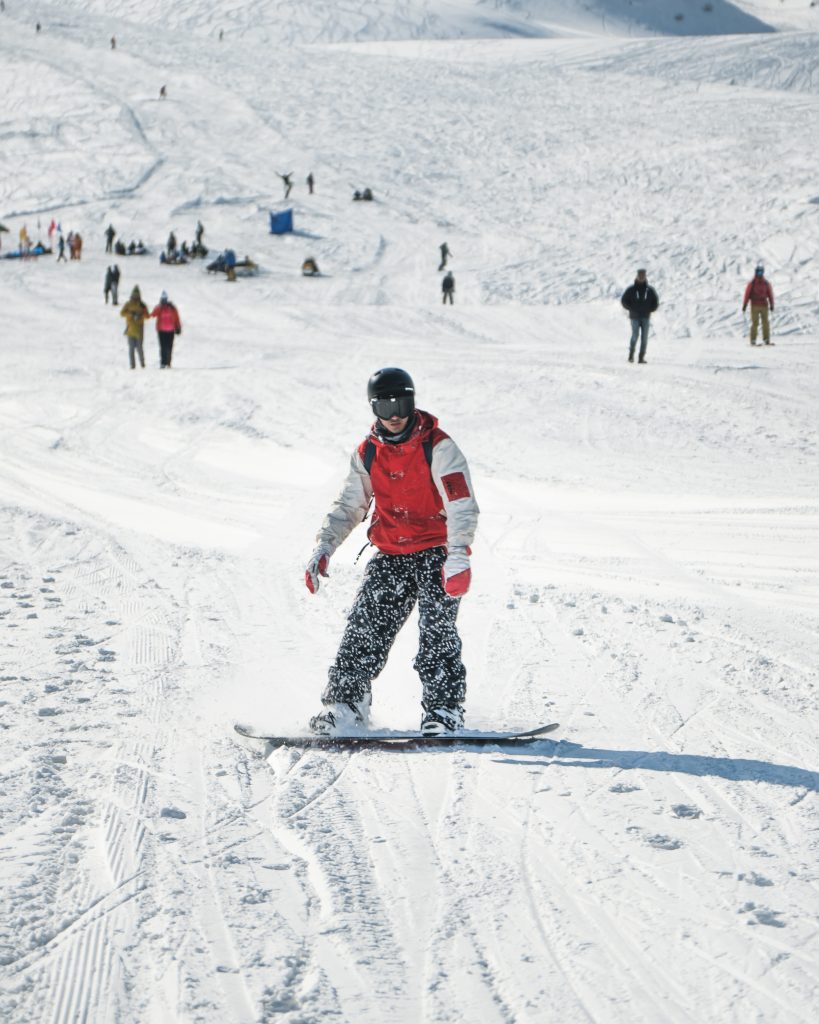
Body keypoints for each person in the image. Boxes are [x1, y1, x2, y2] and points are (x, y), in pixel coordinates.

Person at [304, 367, 479, 737]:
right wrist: (325, 546)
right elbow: (350, 505)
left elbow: (461, 503)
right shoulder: (368, 453)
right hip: (390, 553)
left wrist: (459, 553)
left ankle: (444, 710)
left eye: (402, 403)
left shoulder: (439, 447)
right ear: (374, 409)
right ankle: (346, 705)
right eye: (385, 406)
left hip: (437, 551)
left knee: (438, 632)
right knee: (364, 628)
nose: (395, 414)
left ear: (412, 403)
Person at [621, 268, 659, 364]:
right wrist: (631, 308)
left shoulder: (649, 290)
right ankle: (631, 355)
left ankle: (641, 357)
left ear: (645, 277)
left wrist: (651, 309)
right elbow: (624, 300)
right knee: (635, 335)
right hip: (635, 317)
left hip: (645, 317)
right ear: (637, 276)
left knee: (644, 338)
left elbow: (655, 301)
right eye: (640, 276)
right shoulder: (631, 290)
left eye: (643, 276)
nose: (641, 277)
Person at [742, 264, 775, 346]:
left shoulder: (766, 283)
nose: (759, 274)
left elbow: (770, 294)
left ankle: (766, 339)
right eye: (758, 272)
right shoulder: (752, 283)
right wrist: (745, 304)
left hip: (764, 305)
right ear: (756, 272)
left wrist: (771, 304)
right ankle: (753, 340)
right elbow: (747, 294)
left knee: (765, 323)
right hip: (755, 305)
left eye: (761, 272)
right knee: (755, 323)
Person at [150, 291, 182, 368]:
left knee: (169, 347)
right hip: (162, 331)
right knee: (163, 347)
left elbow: (176, 317)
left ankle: (168, 362)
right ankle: (163, 362)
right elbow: (153, 314)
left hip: (170, 331)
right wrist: (159, 307)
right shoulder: (159, 308)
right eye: (162, 299)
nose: (164, 301)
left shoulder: (172, 308)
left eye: (165, 299)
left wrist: (178, 327)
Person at [120, 286, 149, 369]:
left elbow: (147, 316)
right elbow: (122, 313)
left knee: (140, 348)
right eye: (134, 296)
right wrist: (130, 314)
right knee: (131, 348)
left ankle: (142, 363)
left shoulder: (142, 305)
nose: (136, 297)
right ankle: (132, 365)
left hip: (139, 329)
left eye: (137, 296)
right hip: (130, 329)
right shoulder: (128, 304)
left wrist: (141, 314)